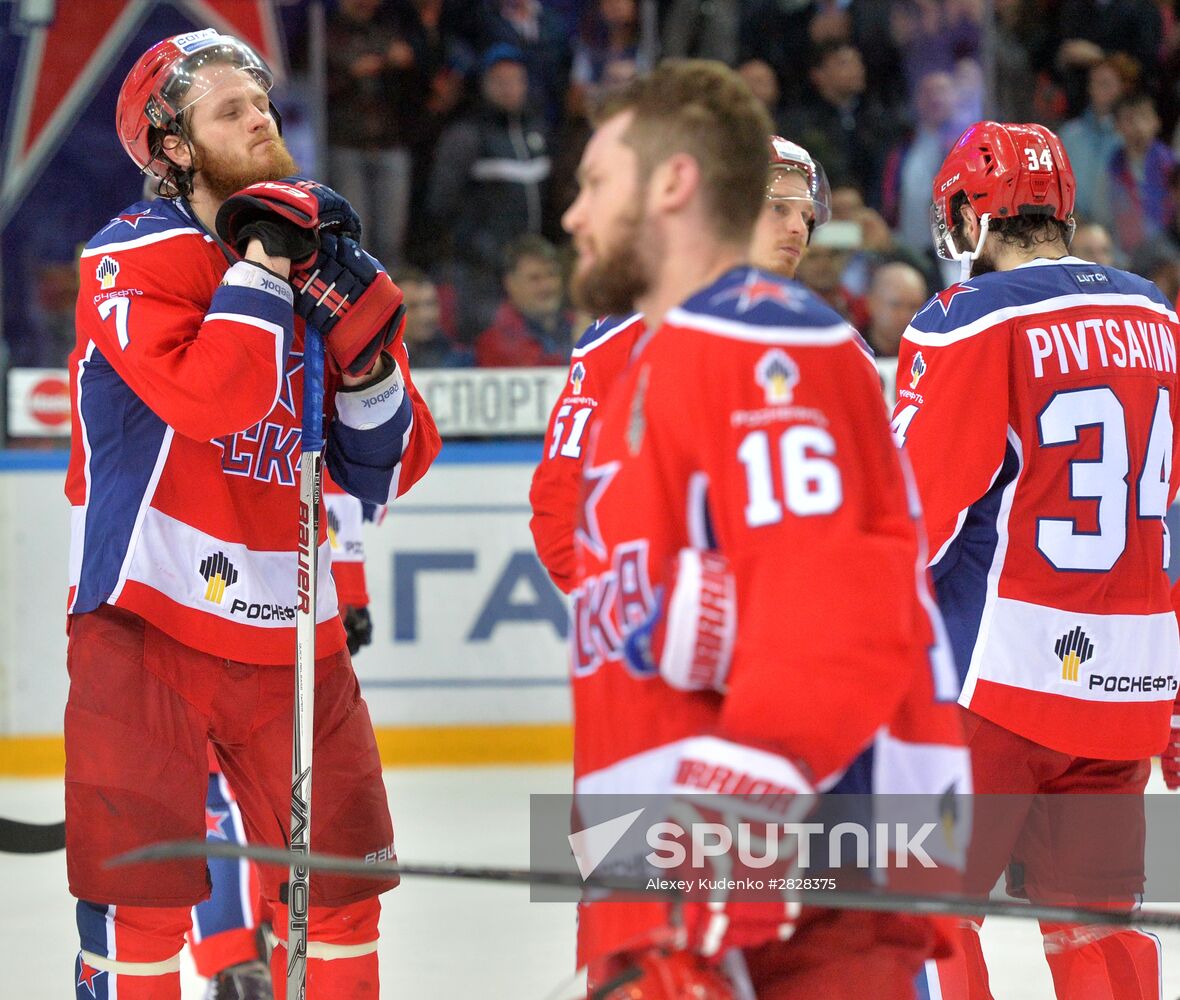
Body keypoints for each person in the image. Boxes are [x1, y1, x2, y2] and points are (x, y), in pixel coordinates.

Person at [556, 60, 966, 997]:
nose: (574, 215)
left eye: (594, 184)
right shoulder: (653, 362)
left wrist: (704, 863)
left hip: (794, 904)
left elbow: (841, 632)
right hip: (683, 903)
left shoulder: (764, 346)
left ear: (673, 184)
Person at [67, 30, 440, 999]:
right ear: (174, 148)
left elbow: (393, 463)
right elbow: (217, 399)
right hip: (146, 617)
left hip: (293, 628)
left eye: (262, 102)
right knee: (140, 900)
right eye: (229, 109)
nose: (260, 116)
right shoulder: (130, 256)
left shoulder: (316, 252)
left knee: (344, 886)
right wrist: (264, 271)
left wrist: (362, 364)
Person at [894, 120, 1180, 999]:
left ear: (975, 212)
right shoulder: (1161, 318)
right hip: (1131, 682)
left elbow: (914, 518)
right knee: (1096, 929)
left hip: (1000, 681)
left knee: (925, 915)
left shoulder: (969, 320)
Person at [530, 135, 831, 593]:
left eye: (806, 217)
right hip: (656, 630)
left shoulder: (831, 346)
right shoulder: (621, 339)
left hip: (786, 628)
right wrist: (627, 608)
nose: (798, 230)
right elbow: (562, 503)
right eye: (779, 209)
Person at [427, 43, 552, 341]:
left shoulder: (538, 132)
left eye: (516, 80)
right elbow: (441, 204)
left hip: (531, 266)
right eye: (500, 81)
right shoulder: (466, 136)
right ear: (485, 85)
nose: (510, 88)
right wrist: (478, 246)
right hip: (480, 273)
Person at [474, 234, 574, 366]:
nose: (547, 286)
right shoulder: (494, 341)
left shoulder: (578, 325)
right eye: (535, 278)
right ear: (510, 284)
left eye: (552, 274)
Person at [861, 261, 928, 357]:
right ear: (871, 303)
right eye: (896, 305)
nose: (905, 316)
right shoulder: (852, 354)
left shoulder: (933, 355)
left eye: (914, 307)